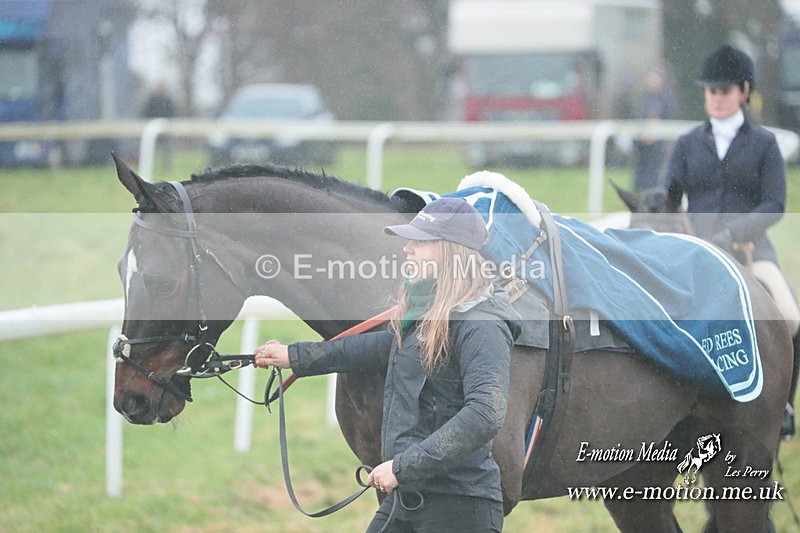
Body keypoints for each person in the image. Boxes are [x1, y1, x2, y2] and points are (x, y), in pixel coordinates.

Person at [254, 197, 522, 532]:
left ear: (450, 252)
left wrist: (401, 467)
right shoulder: (428, 317)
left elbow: (485, 414)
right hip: (408, 499)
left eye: (420, 242)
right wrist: (295, 356)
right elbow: (381, 347)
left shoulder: (484, 324)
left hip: (460, 508)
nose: (408, 249)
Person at [663, 44, 800, 437]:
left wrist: (733, 233)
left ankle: (783, 405)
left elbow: (774, 204)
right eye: (709, 91)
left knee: (789, 317)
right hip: (699, 251)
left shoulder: (763, 144)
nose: (715, 99)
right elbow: (671, 196)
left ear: (743, 91)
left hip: (751, 252)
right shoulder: (688, 143)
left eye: (722, 91)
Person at [633, 69, 676, 190]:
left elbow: (663, 115)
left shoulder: (665, 97)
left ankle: (652, 190)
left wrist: (653, 132)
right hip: (642, 139)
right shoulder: (644, 96)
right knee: (641, 166)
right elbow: (639, 114)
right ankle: (640, 189)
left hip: (657, 140)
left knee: (654, 168)